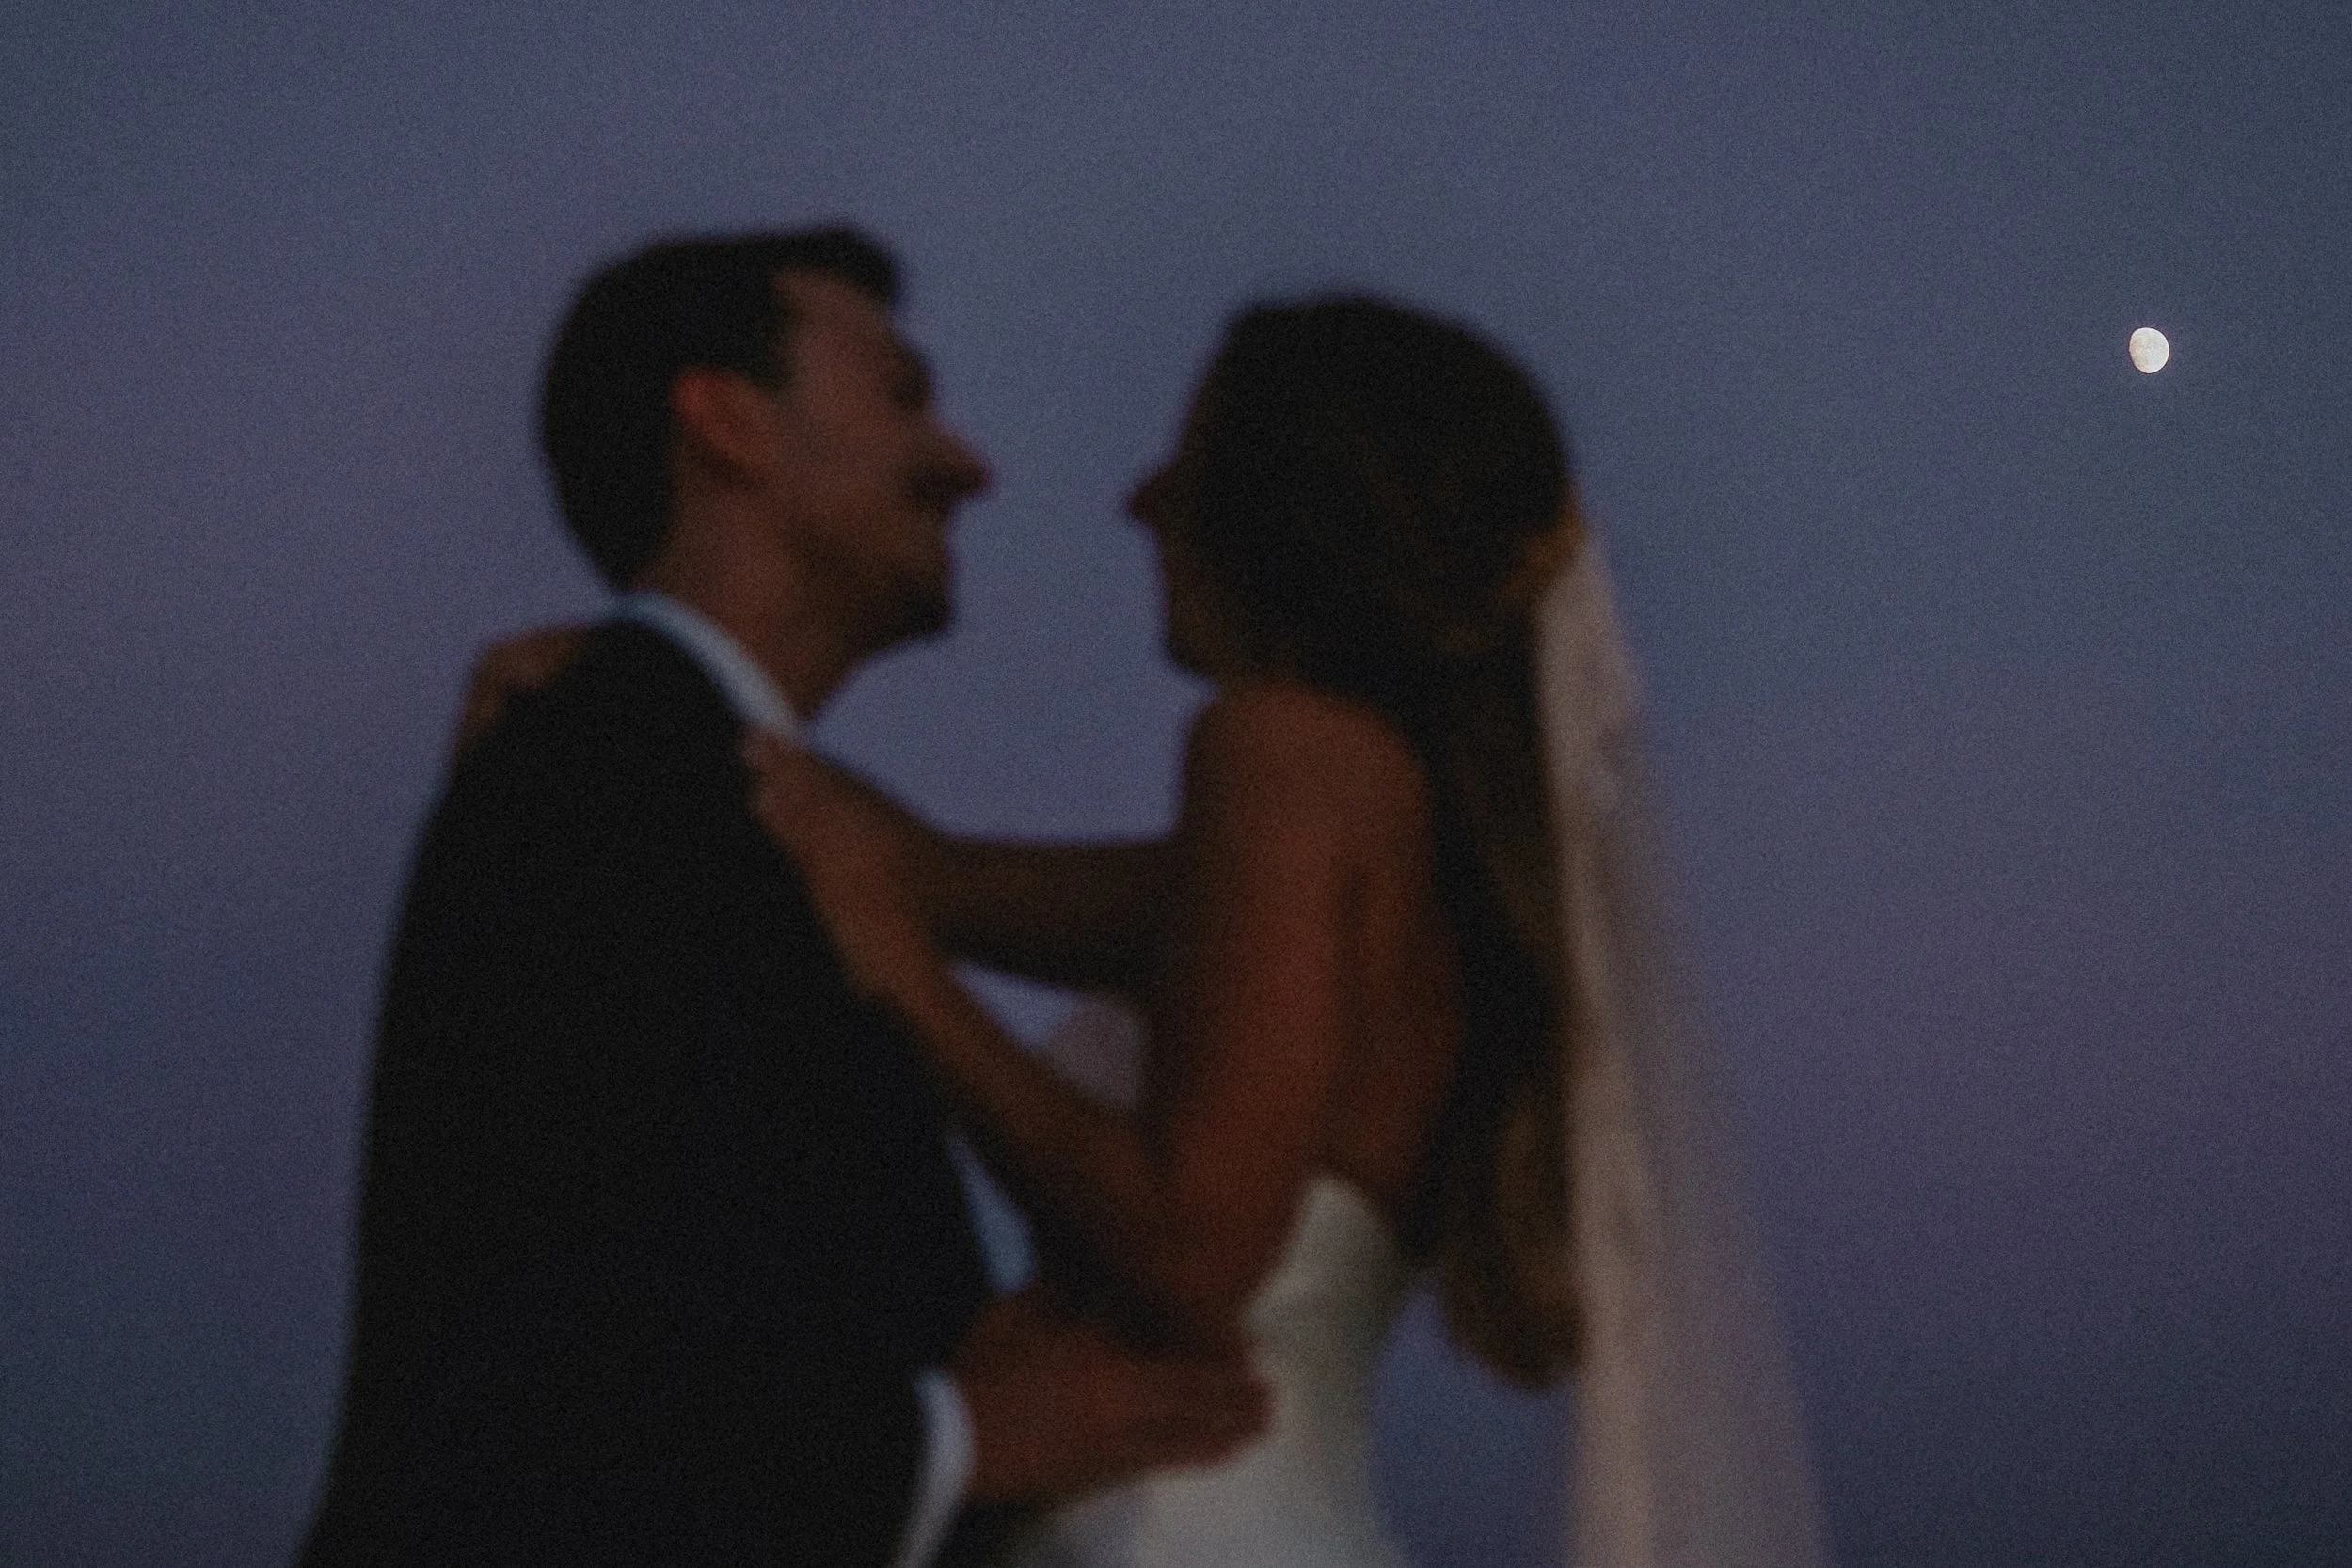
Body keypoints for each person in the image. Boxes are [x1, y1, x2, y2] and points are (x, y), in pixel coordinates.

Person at [746, 296, 1829, 1568]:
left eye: (1186, 463)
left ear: (1280, 509)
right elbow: (916, 869)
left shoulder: (1283, 755)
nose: (1139, 501)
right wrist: (635, 707)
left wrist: (910, 994)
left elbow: (1194, 1241)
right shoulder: (1419, 853)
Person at [297, 229, 1264, 1568]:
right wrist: (965, 1435)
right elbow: (525, 1386)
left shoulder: (717, 798)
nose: (969, 463)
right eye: (903, 396)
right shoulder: (600, 784)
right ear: (728, 423)